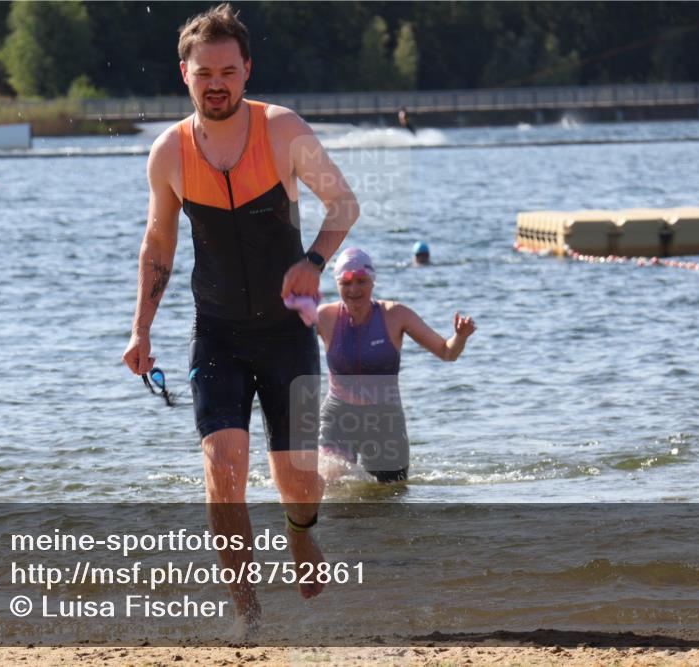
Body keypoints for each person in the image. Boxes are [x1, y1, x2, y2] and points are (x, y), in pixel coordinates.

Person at [120, 4, 359, 632]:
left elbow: (343, 204)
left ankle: (302, 534)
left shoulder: (282, 130)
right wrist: (141, 329)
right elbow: (159, 244)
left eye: (229, 69)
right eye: (205, 73)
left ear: (247, 70)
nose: (217, 82)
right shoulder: (169, 152)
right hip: (217, 334)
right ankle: (248, 615)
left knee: (298, 481)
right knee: (223, 471)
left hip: (287, 335)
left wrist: (312, 260)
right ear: (185, 74)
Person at [315, 248, 476, 483]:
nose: (354, 289)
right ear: (337, 283)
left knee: (390, 499)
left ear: (373, 281)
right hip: (338, 417)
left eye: (361, 281)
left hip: (385, 419)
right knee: (331, 490)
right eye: (346, 282)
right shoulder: (324, 317)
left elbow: (446, 352)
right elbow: (288, 349)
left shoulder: (395, 315)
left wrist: (460, 337)